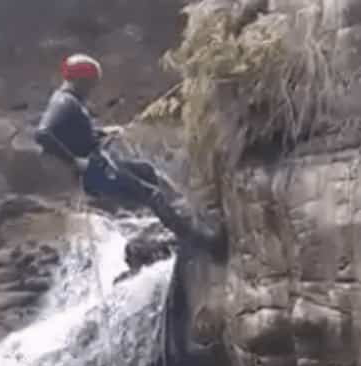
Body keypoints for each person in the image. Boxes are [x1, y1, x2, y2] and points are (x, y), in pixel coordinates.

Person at [34, 53, 223, 258]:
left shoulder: (71, 101)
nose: (92, 89)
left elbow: (75, 135)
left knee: (147, 171)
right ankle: (202, 242)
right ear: (81, 80)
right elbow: (43, 134)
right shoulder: (64, 102)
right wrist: (75, 162)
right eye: (91, 84)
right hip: (92, 172)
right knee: (152, 194)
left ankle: (189, 215)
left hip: (99, 164)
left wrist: (103, 132)